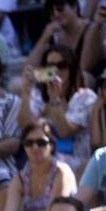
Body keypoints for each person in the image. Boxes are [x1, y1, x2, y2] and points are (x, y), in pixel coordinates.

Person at [19, 45, 97, 175]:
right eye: (50, 66)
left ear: (71, 69)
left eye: (61, 66)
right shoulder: (39, 96)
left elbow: (65, 131)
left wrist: (55, 100)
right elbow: (25, 125)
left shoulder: (86, 96)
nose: (56, 70)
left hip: (75, 166)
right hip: (43, 161)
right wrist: (26, 93)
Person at [28, 0, 90, 68]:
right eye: (51, 13)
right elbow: (29, 67)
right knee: (21, 79)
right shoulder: (54, 35)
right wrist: (44, 38)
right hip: (59, 76)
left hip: (84, 77)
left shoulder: (89, 29)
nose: (56, 15)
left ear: (74, 6)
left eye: (60, 9)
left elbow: (85, 67)